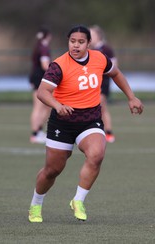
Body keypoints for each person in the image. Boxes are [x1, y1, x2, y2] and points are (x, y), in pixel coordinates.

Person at [28, 25, 143, 223]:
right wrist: (57, 105)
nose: (76, 45)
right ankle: (36, 204)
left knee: (97, 155)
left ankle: (78, 200)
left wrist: (131, 97)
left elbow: (116, 74)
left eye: (81, 42)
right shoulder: (59, 65)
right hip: (62, 123)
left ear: (88, 43)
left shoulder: (99, 58)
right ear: (68, 42)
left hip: (89, 119)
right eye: (73, 41)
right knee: (52, 170)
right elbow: (42, 92)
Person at [90, 25, 117, 143]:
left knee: (102, 107)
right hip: (91, 83)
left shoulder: (106, 49)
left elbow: (114, 67)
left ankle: (109, 132)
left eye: (92, 35)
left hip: (103, 82)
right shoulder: (89, 49)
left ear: (98, 36)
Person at [29, 27, 52, 144]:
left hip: (36, 78)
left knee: (46, 107)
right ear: (48, 36)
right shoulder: (44, 48)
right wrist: (55, 73)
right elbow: (45, 65)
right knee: (38, 107)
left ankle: (38, 131)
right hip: (40, 79)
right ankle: (35, 134)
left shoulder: (38, 46)